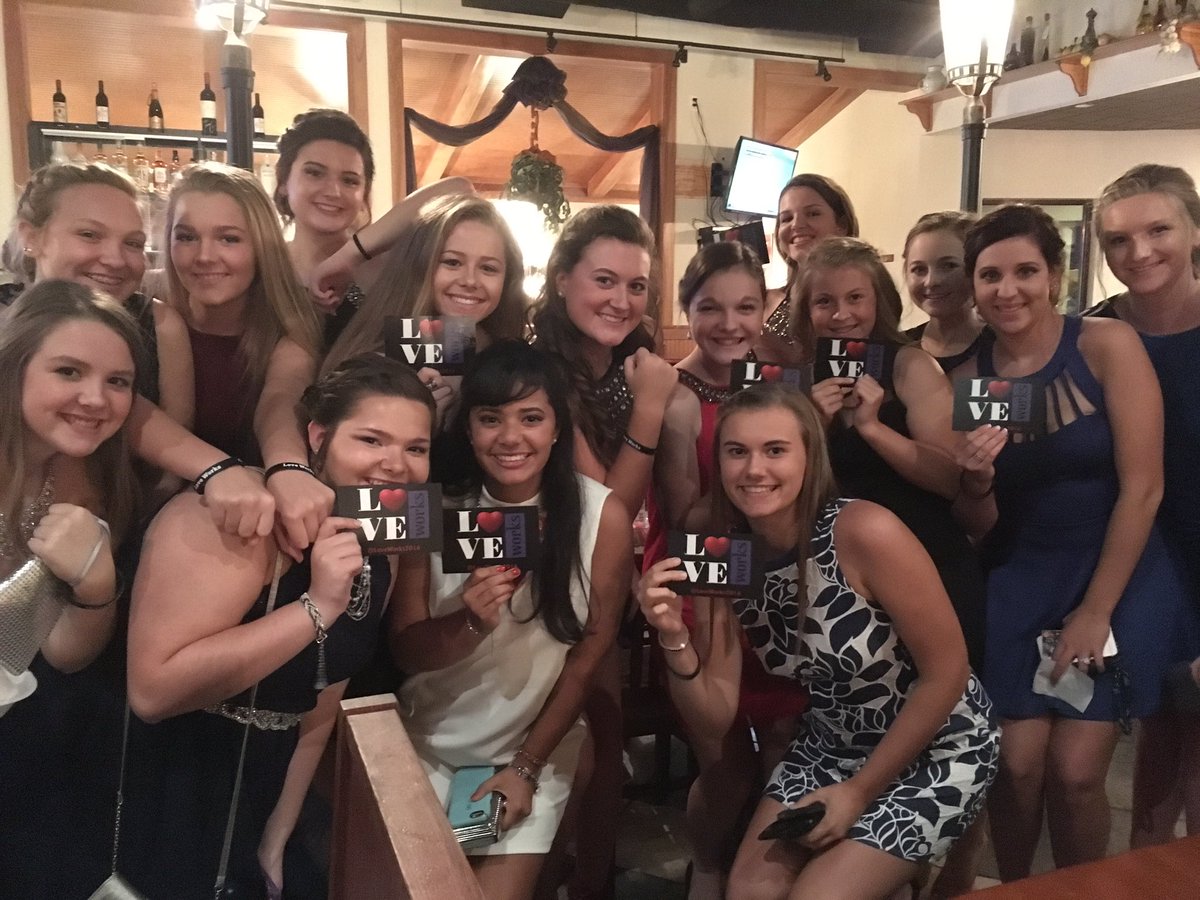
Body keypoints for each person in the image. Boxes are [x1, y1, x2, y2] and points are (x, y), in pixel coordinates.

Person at [637, 384, 999, 900]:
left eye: (776, 450)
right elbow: (714, 714)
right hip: (832, 743)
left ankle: (913, 859)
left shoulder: (864, 531)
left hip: (940, 743)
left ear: (810, 455)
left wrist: (860, 793)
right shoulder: (715, 534)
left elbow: (949, 673)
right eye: (737, 451)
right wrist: (674, 639)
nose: (754, 470)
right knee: (749, 893)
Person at [124, 353, 434, 899]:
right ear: (317, 436)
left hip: (267, 782)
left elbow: (319, 708)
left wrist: (276, 838)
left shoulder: (386, 544)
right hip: (168, 778)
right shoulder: (242, 512)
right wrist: (315, 606)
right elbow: (153, 691)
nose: (395, 464)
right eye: (370, 440)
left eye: (416, 448)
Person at [955, 203, 1198, 879]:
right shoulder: (965, 375)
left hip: (1118, 566)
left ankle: (1082, 890)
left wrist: (1096, 610)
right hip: (1021, 570)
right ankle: (1018, 888)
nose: (1008, 290)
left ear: (1057, 272)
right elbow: (979, 525)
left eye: (1026, 270)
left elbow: (1143, 486)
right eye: (991, 275)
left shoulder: (1105, 344)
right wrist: (973, 482)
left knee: (1076, 771)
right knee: (1017, 764)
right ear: (973, 286)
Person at [391, 341, 630, 900]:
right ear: (468, 428)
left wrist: (526, 766)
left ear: (555, 428)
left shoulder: (601, 515)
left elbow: (592, 650)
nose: (511, 438)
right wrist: (468, 624)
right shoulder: (430, 509)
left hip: (532, 748)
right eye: (490, 418)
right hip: (427, 743)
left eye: (531, 418)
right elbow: (406, 650)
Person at [648, 241, 806, 899]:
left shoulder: (779, 377)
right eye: (711, 308)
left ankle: (766, 871)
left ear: (764, 309)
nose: (729, 324)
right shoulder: (675, 393)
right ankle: (709, 867)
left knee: (784, 739)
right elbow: (685, 516)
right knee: (725, 761)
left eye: (745, 307)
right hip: (703, 578)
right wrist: (748, 465)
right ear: (688, 310)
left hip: (773, 575)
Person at [527, 205, 675, 896]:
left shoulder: (629, 361)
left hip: (607, 579)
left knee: (604, 746)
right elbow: (605, 510)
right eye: (604, 281)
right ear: (561, 280)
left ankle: (587, 881)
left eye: (637, 286)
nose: (622, 300)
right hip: (549, 581)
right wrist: (649, 408)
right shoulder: (545, 371)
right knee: (571, 745)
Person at [0, 280, 145, 897]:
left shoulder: (102, 478)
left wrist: (95, 581)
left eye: (118, 381)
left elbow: (67, 651)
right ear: (14, 369)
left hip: (34, 764)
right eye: (68, 371)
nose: (96, 398)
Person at [1088, 164, 1200, 846]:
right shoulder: (1094, 334)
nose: (1140, 252)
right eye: (1119, 240)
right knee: (1157, 734)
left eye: (1158, 230)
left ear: (1193, 231)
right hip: (1141, 555)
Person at [164, 161, 326, 557]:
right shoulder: (150, 316)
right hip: (150, 517)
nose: (204, 256)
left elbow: (280, 400)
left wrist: (288, 466)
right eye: (186, 237)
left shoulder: (290, 328)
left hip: (243, 536)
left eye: (229, 239)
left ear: (262, 247)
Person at [321, 194, 527, 435]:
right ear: (420, 266)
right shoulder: (375, 358)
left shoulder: (504, 355)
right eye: (452, 262)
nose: (470, 280)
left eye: (488, 268)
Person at [7, 162, 192, 425]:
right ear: (31, 238)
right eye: (89, 234)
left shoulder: (161, 325)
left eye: (132, 243)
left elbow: (177, 451)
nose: (115, 260)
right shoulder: (7, 322)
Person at [273, 108, 472, 345]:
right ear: (284, 181)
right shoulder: (264, 264)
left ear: (363, 194)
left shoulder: (386, 269)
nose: (333, 191)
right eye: (314, 173)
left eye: (349, 180)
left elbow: (460, 190)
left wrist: (348, 257)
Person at [760, 174, 858, 364]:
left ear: (842, 225)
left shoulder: (864, 300)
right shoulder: (763, 301)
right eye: (786, 218)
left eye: (813, 213)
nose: (796, 225)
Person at [903, 211, 988, 372]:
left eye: (949, 266)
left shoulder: (1005, 347)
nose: (931, 281)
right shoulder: (895, 349)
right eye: (919, 269)